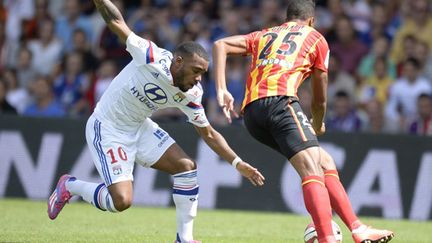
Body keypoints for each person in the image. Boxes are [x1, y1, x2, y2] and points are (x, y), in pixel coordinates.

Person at [47, 1, 265, 243]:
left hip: (140, 127)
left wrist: (237, 163)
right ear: (178, 61)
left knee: (186, 166)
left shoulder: (191, 93)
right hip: (108, 127)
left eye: (202, 73)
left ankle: (184, 239)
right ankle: (71, 186)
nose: (197, 79)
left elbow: (209, 134)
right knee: (121, 201)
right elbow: (117, 23)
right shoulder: (151, 56)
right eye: (195, 71)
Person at [212, 1, 393, 242]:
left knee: (323, 160)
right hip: (280, 101)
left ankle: (357, 228)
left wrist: (222, 89)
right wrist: (318, 122)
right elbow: (319, 96)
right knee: (311, 166)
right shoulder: (316, 37)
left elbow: (220, 44)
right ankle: (328, 237)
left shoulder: (265, 34)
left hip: (252, 114)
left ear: (287, 18)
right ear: (311, 20)